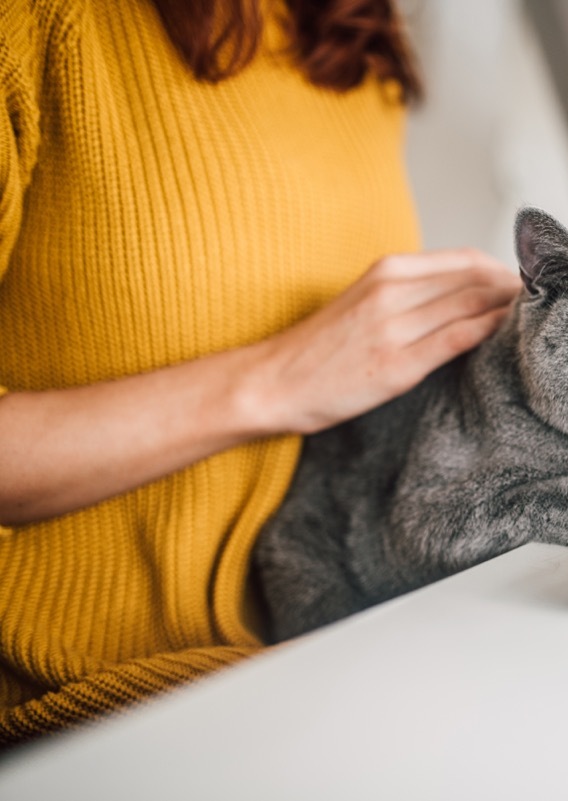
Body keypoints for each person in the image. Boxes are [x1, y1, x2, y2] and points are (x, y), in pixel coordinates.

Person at [0, 1, 521, 744]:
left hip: (316, 655)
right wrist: (278, 381)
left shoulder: (352, 37)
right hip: (81, 707)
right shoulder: (35, 26)